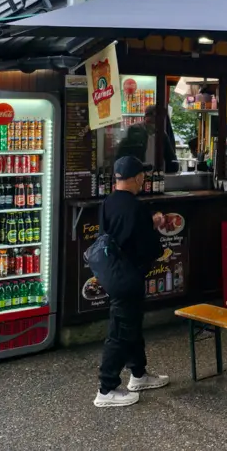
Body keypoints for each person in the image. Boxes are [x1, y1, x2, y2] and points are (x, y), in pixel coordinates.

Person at [94, 156, 170, 408]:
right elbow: (149, 248)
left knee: (132, 323)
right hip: (128, 276)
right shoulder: (136, 207)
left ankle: (138, 374)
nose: (144, 180)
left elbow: (117, 233)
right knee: (120, 330)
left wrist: (148, 224)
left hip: (112, 272)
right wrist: (155, 226)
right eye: (143, 176)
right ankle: (106, 388)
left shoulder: (108, 202)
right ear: (137, 178)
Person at [115, 105, 179, 173]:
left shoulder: (162, 135)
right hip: (137, 175)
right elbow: (122, 156)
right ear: (145, 118)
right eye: (151, 121)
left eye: (155, 121)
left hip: (154, 175)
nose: (153, 125)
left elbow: (172, 161)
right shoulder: (135, 131)